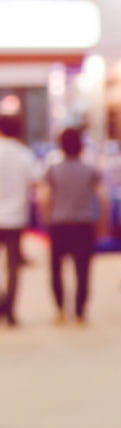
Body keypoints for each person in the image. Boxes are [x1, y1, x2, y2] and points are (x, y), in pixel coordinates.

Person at [41, 128, 108, 325]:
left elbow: (45, 199)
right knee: (83, 270)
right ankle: (80, 313)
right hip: (84, 224)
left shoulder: (53, 170)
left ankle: (60, 310)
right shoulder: (90, 170)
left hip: (59, 224)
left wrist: (47, 219)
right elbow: (103, 198)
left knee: (56, 269)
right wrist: (103, 224)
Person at [0, 115, 38, 326]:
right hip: (15, 217)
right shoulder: (24, 154)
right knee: (13, 266)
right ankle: (11, 310)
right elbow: (36, 184)